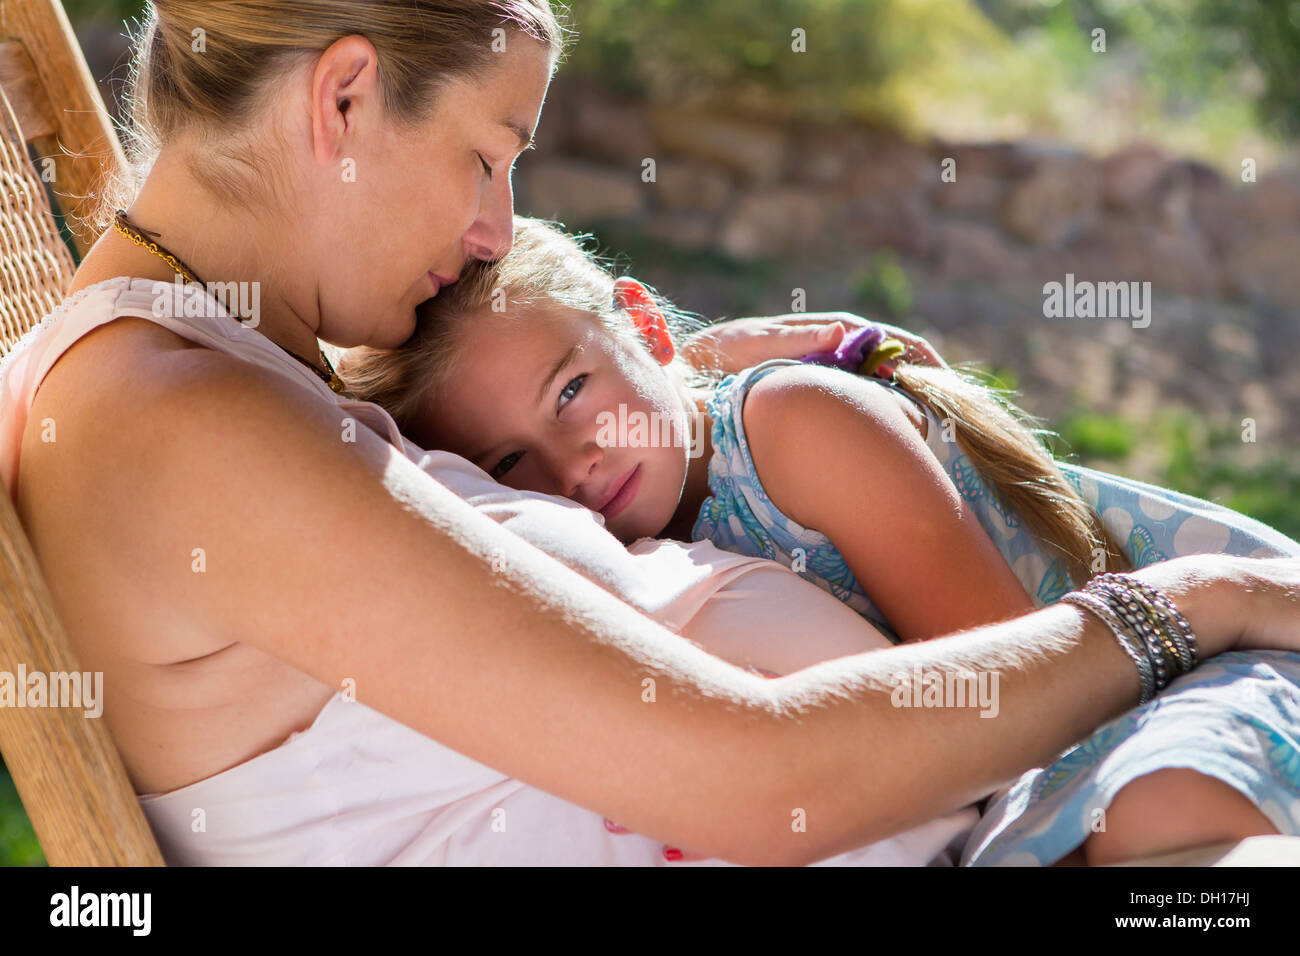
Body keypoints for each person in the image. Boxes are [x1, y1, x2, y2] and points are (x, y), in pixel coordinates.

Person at [2, 0, 1298, 867]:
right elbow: (751, 777)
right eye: (488, 153)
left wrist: (702, 362)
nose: (496, 230)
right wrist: (1183, 606)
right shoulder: (182, 424)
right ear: (343, 101)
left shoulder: (222, 366)